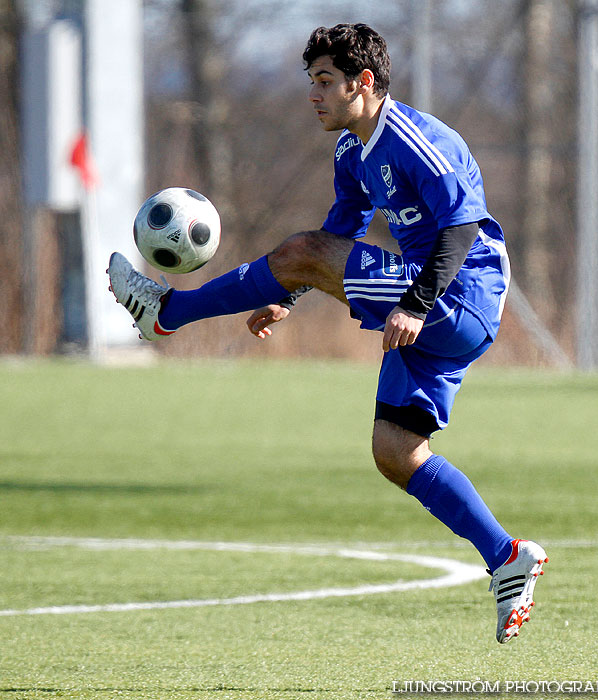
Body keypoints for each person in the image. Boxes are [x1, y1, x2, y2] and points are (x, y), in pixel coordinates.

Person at [108, 23, 547, 644]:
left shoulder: (417, 139)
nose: (312, 95)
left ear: (362, 83)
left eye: (324, 82)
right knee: (395, 452)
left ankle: (165, 314)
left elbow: (462, 228)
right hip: (429, 306)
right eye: (310, 82)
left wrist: (417, 304)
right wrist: (286, 293)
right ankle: (507, 558)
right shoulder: (351, 150)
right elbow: (340, 233)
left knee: (299, 249)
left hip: (460, 296)